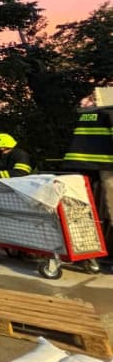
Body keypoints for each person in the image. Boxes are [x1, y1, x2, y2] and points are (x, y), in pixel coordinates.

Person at [60, 106, 113, 258]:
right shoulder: (107, 113)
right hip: (106, 167)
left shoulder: (91, 112)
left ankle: (88, 248)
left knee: (92, 209)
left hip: (85, 164)